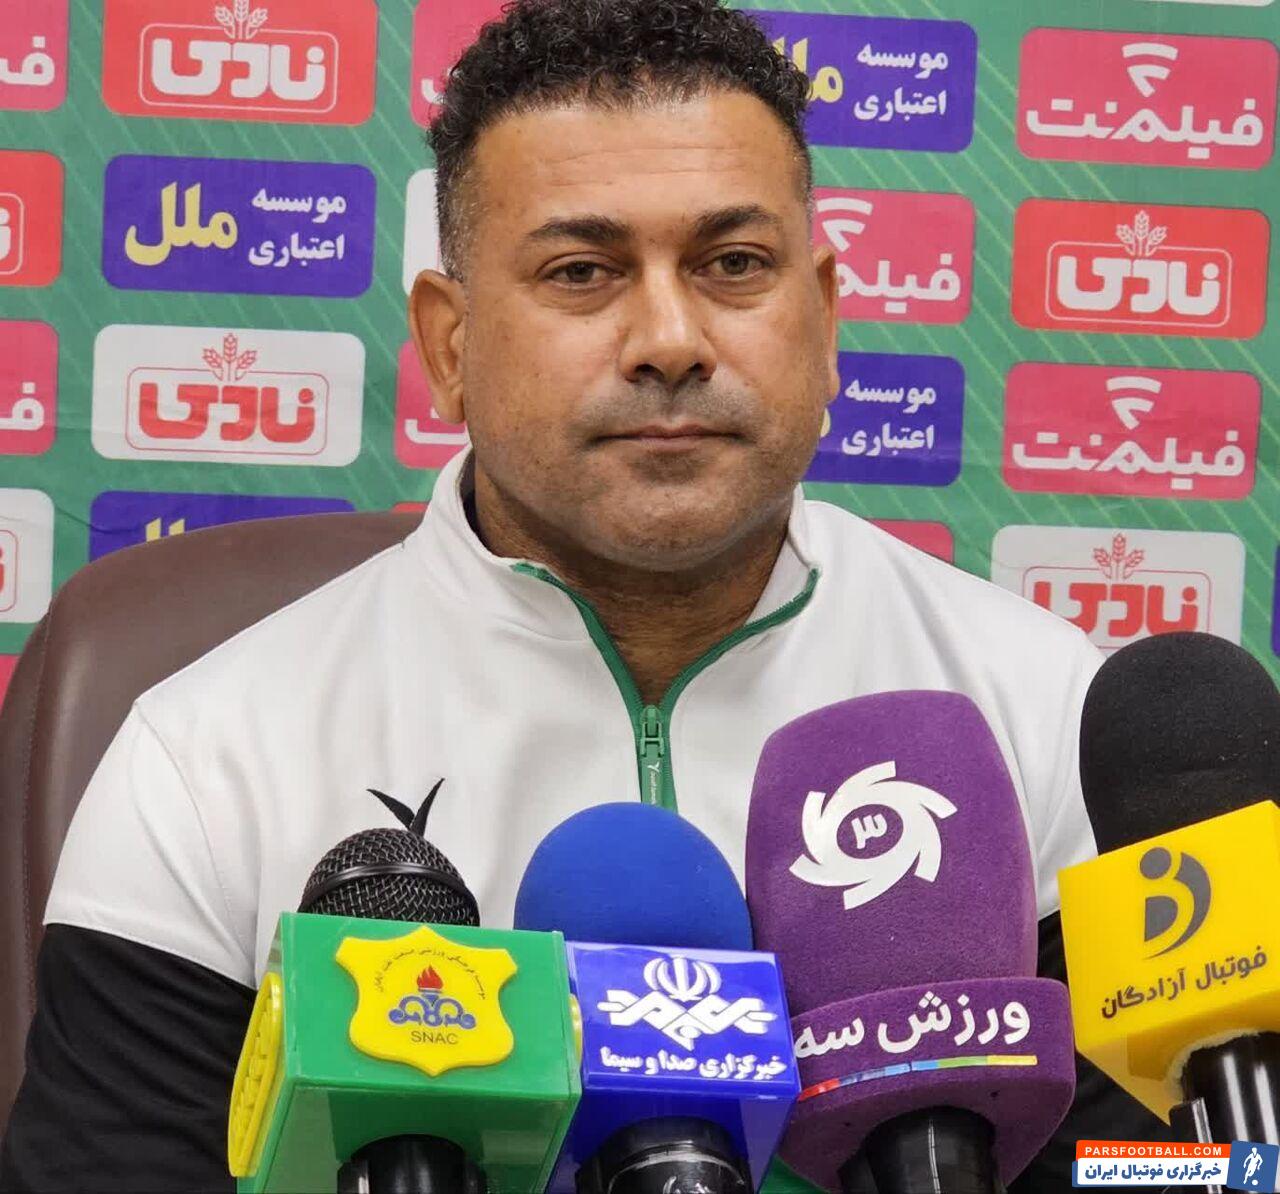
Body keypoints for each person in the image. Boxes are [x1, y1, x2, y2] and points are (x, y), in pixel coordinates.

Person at [0, 1, 1171, 1189]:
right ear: (448, 345)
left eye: (732, 264)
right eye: (581, 272)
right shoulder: (212, 757)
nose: (669, 339)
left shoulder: (1041, 712)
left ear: (822, 318)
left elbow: (1162, 1163)